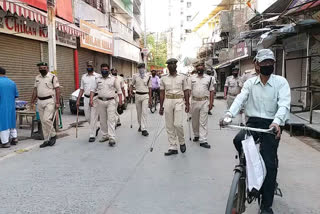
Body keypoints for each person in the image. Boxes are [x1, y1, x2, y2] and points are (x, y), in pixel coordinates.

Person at [222, 49, 291, 214]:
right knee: (238, 140)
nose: (267, 65)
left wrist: (277, 123)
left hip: (271, 125)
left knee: (269, 164)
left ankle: (266, 206)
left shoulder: (281, 82)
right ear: (257, 65)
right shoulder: (250, 83)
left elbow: (284, 104)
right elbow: (240, 98)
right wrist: (229, 115)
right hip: (253, 122)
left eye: (270, 62)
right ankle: (247, 170)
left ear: (273, 64)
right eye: (264, 62)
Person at [159, 58, 190, 156]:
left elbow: (186, 90)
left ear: (176, 66)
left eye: (173, 64)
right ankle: (173, 146)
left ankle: (181, 141)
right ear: (167, 67)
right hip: (168, 101)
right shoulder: (163, 78)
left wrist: (187, 104)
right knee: (169, 125)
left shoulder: (182, 77)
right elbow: (161, 93)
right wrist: (161, 106)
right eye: (169, 65)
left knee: (178, 124)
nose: (172, 66)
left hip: (179, 101)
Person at [91, 64, 122, 147]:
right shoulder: (97, 79)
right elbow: (93, 90)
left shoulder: (113, 79)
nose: (104, 70)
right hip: (100, 101)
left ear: (108, 70)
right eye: (103, 69)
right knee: (102, 120)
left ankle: (112, 137)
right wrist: (91, 99)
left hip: (111, 101)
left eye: (106, 69)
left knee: (111, 119)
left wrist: (120, 101)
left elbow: (119, 90)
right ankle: (105, 135)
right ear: (100, 70)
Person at [31, 62, 60, 148]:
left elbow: (57, 90)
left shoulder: (52, 77)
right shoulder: (37, 77)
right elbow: (35, 90)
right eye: (40, 68)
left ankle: (53, 134)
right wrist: (32, 101)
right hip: (40, 101)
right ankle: (46, 139)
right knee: (43, 122)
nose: (42, 69)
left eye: (44, 68)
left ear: (47, 68)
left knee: (46, 119)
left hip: (49, 100)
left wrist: (57, 102)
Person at [190, 63, 215, 149]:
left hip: (204, 101)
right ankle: (196, 135)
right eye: (198, 67)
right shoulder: (191, 78)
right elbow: (188, 90)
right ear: (196, 68)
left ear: (204, 68)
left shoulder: (209, 78)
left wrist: (211, 103)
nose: (200, 68)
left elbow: (211, 91)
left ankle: (203, 140)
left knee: (203, 122)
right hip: (194, 101)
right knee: (195, 121)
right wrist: (186, 103)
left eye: (201, 66)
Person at [76, 61, 101, 142]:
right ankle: (96, 128)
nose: (89, 67)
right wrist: (78, 99)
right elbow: (82, 89)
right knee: (87, 117)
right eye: (88, 66)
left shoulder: (98, 76)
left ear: (94, 67)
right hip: (86, 98)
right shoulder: (83, 77)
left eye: (91, 66)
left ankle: (92, 135)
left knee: (93, 117)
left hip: (95, 98)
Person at [0, 67, 19, 148]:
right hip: (11, 107)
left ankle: (5, 142)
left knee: (3, 123)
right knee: (11, 122)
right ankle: (14, 138)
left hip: (1, 106)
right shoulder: (12, 83)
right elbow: (16, 96)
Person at [131, 63, 151, 136]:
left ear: (144, 68)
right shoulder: (135, 76)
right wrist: (130, 92)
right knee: (139, 112)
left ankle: (144, 129)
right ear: (138, 68)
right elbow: (131, 84)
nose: (141, 69)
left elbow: (150, 87)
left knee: (144, 112)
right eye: (139, 68)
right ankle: (140, 125)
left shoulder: (148, 76)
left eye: (142, 67)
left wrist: (150, 98)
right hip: (137, 95)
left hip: (145, 95)